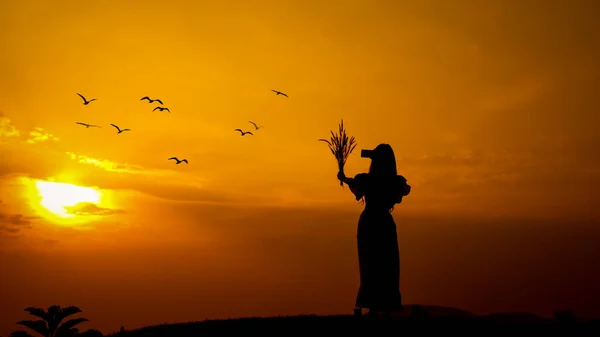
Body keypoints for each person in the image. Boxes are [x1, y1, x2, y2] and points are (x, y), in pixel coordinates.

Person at [337, 143, 411, 318]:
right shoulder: (394, 182)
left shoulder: (367, 180)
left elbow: (356, 186)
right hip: (384, 223)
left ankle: (373, 305)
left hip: (369, 222)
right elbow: (403, 192)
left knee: (370, 263)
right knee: (387, 263)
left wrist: (344, 178)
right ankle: (385, 305)